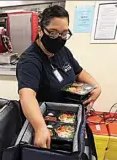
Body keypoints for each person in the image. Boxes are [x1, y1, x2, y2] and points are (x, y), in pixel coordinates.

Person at [17, 5, 101, 149]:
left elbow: (79, 72)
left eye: (64, 34)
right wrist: (40, 128)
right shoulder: (30, 60)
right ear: (41, 30)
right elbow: (27, 96)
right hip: (47, 125)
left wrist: (96, 86)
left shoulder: (63, 51)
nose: (59, 39)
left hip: (67, 120)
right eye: (53, 33)